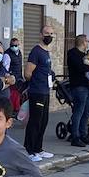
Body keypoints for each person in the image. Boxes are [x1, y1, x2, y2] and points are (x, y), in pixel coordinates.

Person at [23, 25, 55, 161]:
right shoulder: (36, 51)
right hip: (37, 92)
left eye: (51, 34)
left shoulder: (46, 52)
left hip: (45, 91)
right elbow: (27, 73)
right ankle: (29, 150)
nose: (49, 36)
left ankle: (38, 148)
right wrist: (36, 82)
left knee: (43, 121)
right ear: (41, 35)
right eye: (46, 33)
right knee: (35, 121)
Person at [66, 34, 89, 148]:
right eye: (87, 41)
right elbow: (81, 68)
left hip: (88, 86)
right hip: (79, 86)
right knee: (78, 111)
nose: (88, 43)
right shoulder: (73, 54)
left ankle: (83, 134)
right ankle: (75, 137)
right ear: (83, 42)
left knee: (87, 111)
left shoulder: (85, 55)